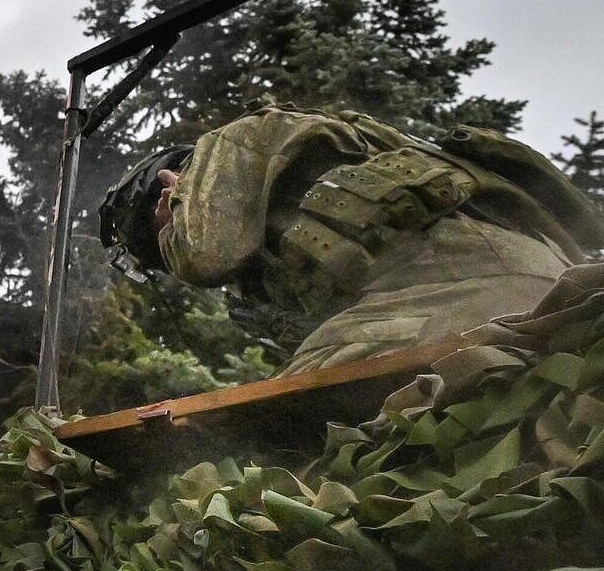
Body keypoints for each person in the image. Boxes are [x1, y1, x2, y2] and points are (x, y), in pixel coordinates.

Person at [98, 103, 604, 377]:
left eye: (162, 235)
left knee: (294, 408)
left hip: (463, 283)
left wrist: (181, 208)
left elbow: (205, 255)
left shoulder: (226, 146)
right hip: (530, 275)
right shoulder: (269, 218)